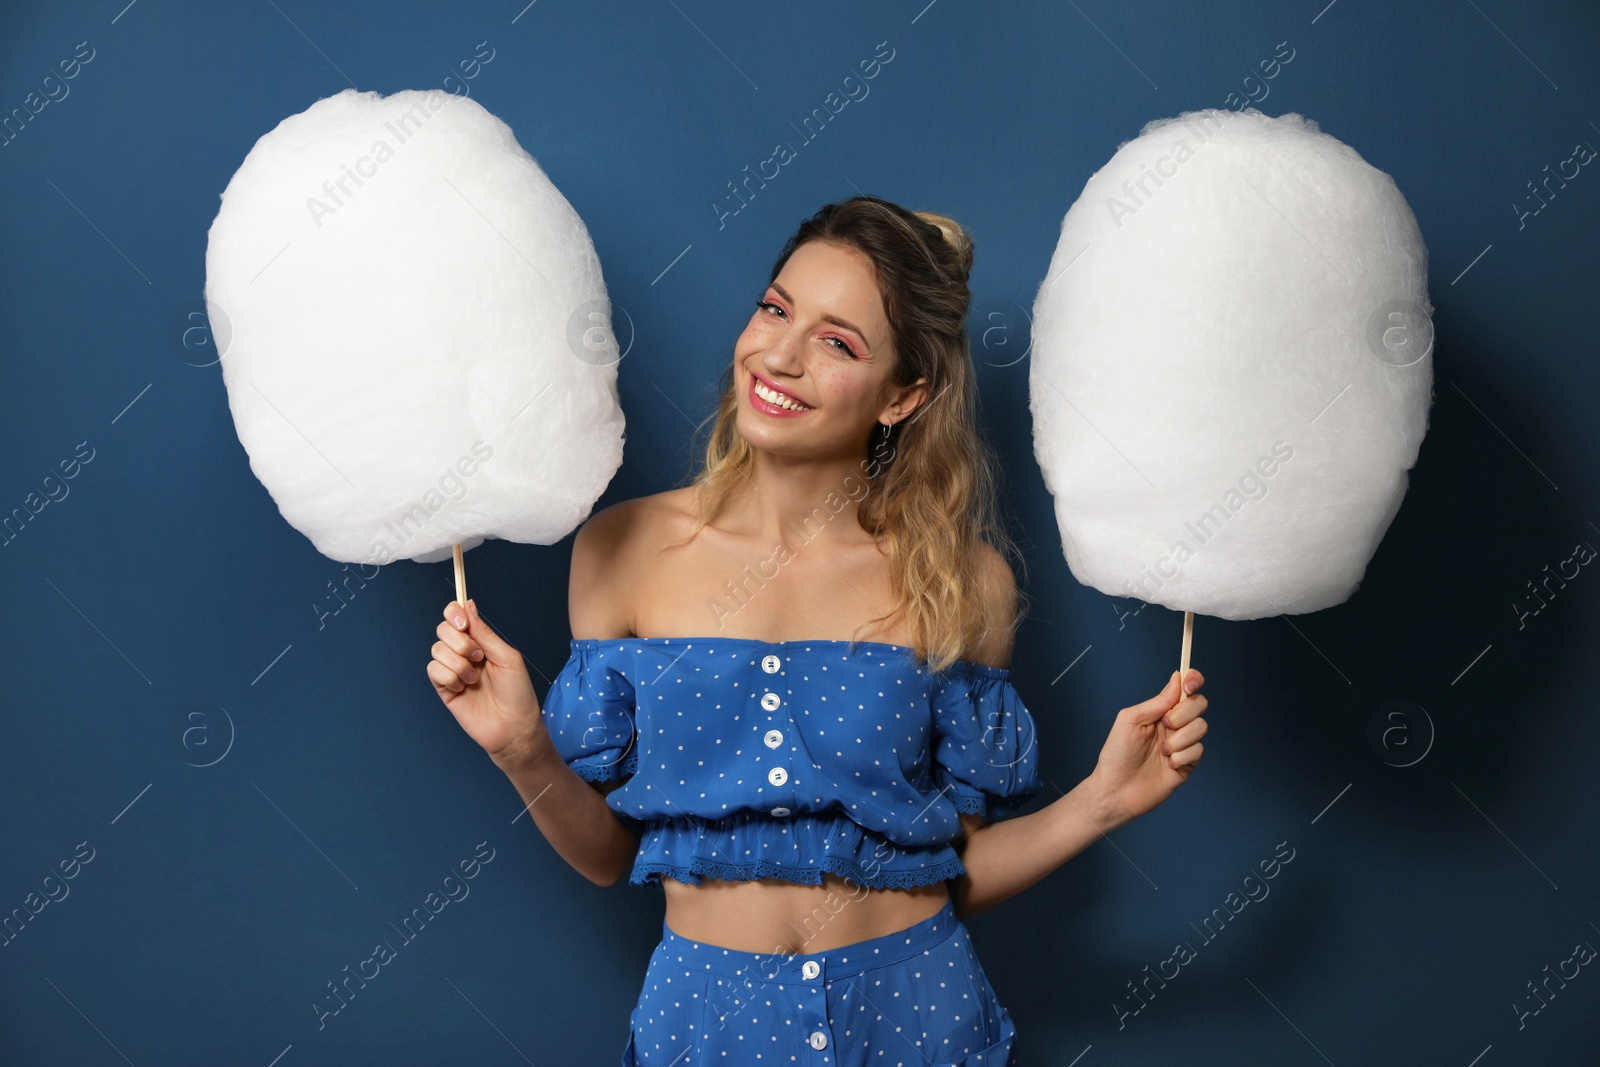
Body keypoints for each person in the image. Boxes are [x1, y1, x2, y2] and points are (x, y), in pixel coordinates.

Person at [426, 196, 1209, 1064]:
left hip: (917, 1010)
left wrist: (1101, 800)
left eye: (839, 342)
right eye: (776, 309)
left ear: (904, 395)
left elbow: (960, 870)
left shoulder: (962, 581)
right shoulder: (621, 550)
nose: (781, 356)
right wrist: (520, 747)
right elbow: (611, 857)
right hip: (707, 1021)